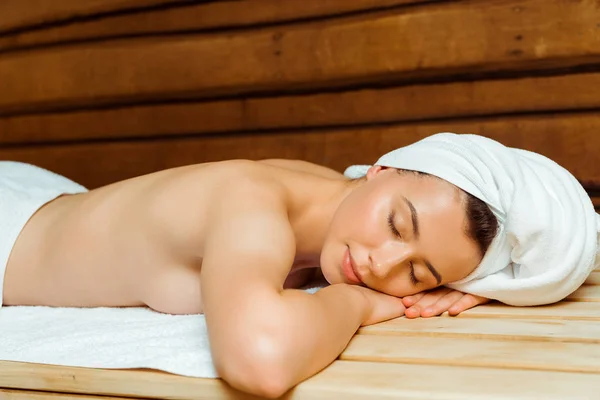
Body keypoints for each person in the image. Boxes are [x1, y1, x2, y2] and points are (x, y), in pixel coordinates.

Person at [1, 133, 598, 398]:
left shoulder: (334, 200)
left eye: (419, 274)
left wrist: (488, 288)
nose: (382, 266)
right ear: (382, 168)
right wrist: (361, 305)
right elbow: (260, 363)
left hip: (49, 199)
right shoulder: (253, 203)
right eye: (397, 225)